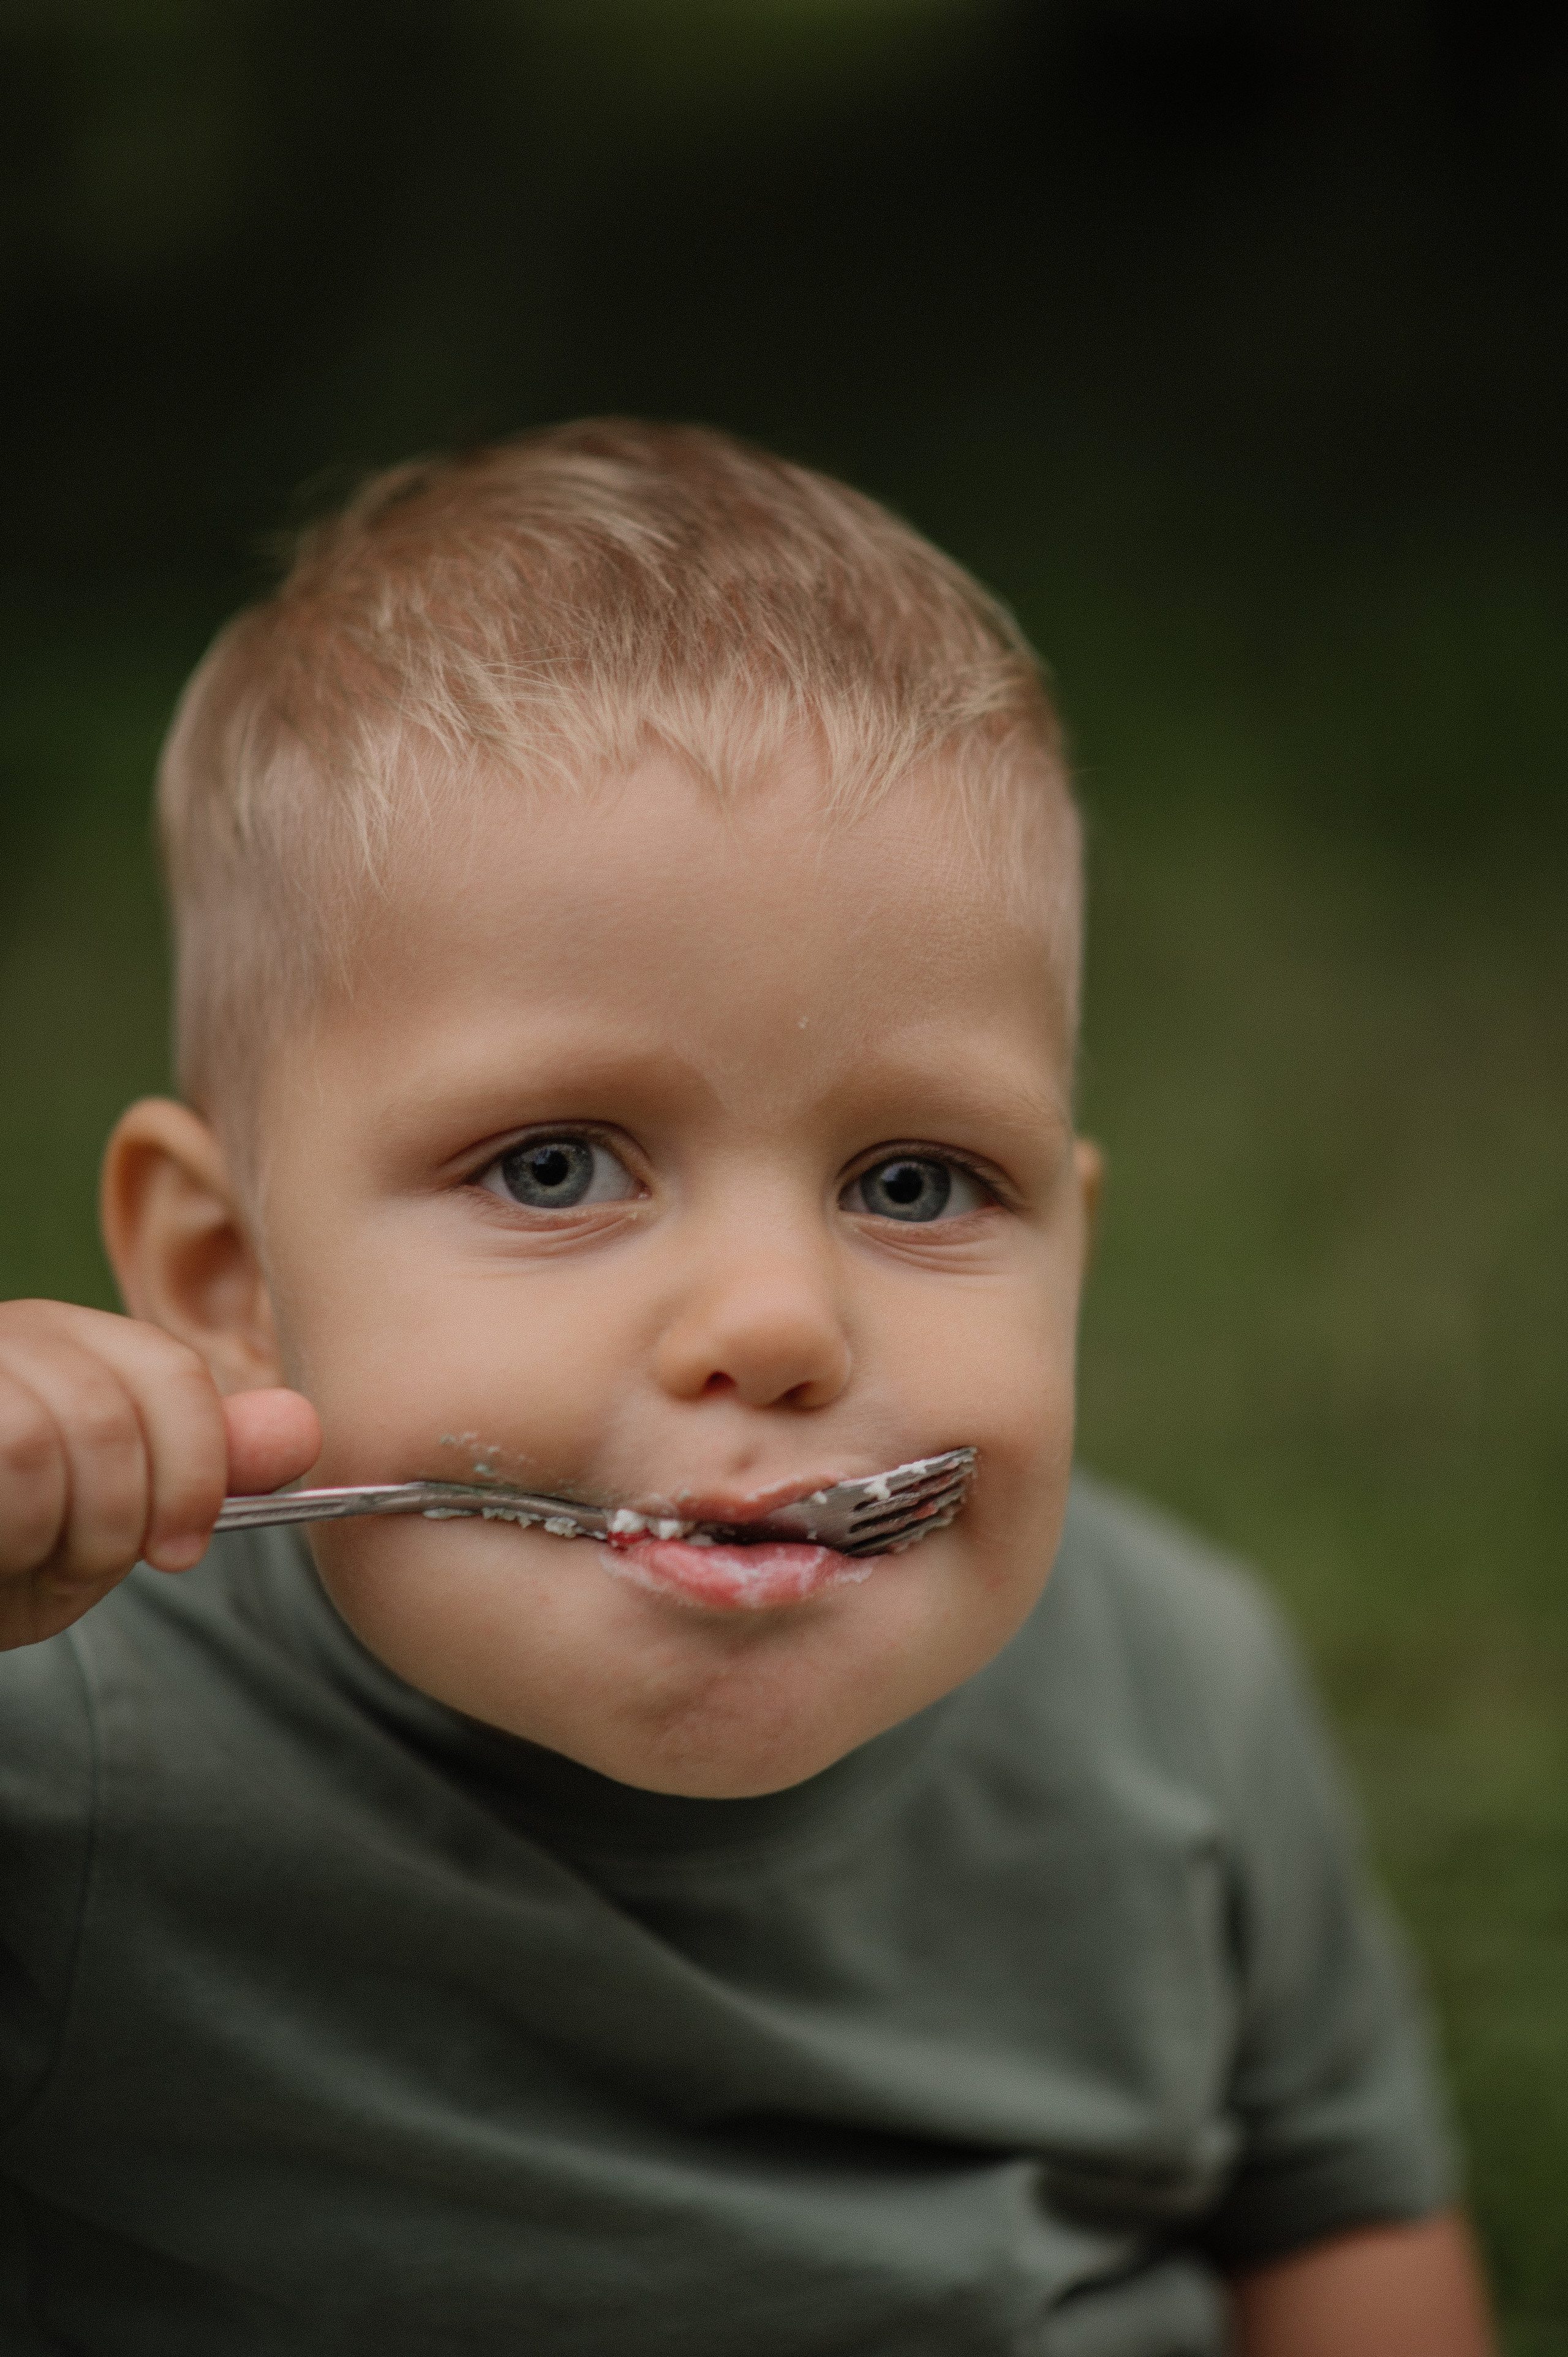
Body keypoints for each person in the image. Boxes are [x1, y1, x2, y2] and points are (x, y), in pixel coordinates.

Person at [0, 421, 1494, 2354]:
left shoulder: (1180, 1695)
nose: (784, 1320)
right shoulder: (70, 1749)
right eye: (556, 1167)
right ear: (228, 1283)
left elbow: (1343, 2231)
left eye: (916, 1185)